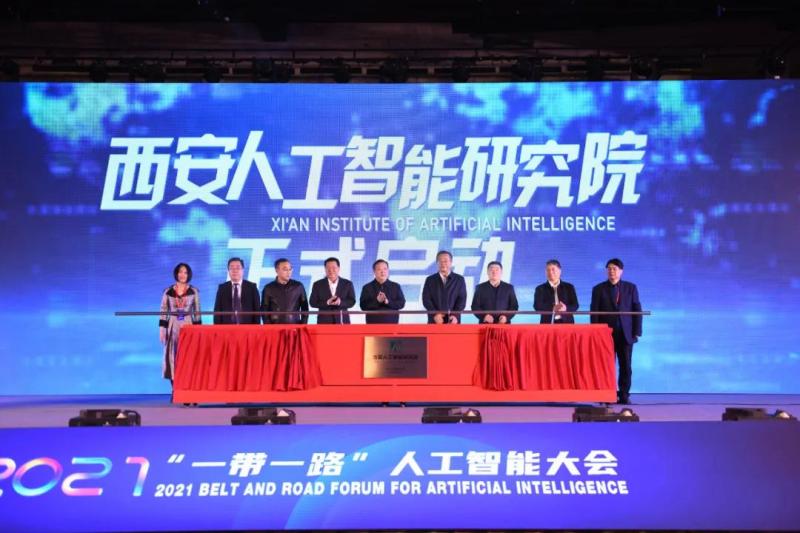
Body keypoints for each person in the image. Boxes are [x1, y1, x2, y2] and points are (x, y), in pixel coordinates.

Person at [590, 258, 643, 405]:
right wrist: (595, 332)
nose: (611, 271)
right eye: (609, 269)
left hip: (626, 334)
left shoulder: (631, 288)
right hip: (605, 335)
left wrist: (637, 331)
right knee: (606, 366)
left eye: (614, 269)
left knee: (626, 366)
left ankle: (624, 394)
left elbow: (637, 310)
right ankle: (606, 394)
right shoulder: (598, 289)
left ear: (621, 271)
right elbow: (594, 313)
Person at [159, 263, 201, 386]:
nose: (183, 275)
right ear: (176, 274)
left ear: (189, 275)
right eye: (180, 272)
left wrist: (199, 331)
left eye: (185, 272)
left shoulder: (194, 291)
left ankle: (186, 388)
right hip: (172, 325)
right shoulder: (168, 291)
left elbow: (197, 312)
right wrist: (162, 329)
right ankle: (175, 388)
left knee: (188, 356)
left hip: (188, 325)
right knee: (172, 356)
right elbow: (163, 311)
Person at [422, 250, 467, 324]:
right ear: (437, 263)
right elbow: (426, 300)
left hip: (453, 321)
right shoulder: (430, 280)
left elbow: (462, 300)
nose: (443, 264)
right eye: (440, 261)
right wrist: (435, 314)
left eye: (445, 261)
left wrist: (455, 315)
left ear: (451, 262)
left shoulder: (459, 279)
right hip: (435, 320)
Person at [213, 257, 261, 324]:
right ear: (228, 271)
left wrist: (256, 327)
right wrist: (217, 328)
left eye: (238, 268)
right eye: (231, 268)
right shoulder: (222, 288)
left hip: (247, 326)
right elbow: (217, 310)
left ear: (243, 270)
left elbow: (257, 310)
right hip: (227, 327)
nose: (234, 270)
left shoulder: (252, 287)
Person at [261, 258, 309, 324]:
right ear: (277, 270)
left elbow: (305, 308)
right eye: (285, 269)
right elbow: (264, 309)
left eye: (290, 269)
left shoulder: (298, 286)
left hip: (294, 326)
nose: (288, 272)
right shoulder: (268, 288)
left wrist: (303, 324)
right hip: (275, 326)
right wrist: (268, 326)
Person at [310, 257, 356, 324]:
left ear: (339, 268)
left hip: (342, 321)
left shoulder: (347, 284)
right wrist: (327, 302)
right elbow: (312, 302)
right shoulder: (317, 284)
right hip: (324, 322)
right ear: (325, 269)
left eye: (334, 267)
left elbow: (352, 301)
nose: (331, 270)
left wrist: (340, 302)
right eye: (328, 268)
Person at [360, 259, 406, 324]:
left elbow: (402, 303)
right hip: (372, 324)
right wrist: (377, 301)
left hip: (392, 324)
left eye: (385, 269)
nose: (382, 272)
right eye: (379, 269)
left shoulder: (395, 286)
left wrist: (388, 302)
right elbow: (363, 306)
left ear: (388, 270)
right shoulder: (367, 287)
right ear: (374, 271)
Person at [533, 259, 579, 324]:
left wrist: (565, 308)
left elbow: (575, 305)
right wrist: (552, 308)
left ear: (560, 271)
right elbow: (537, 306)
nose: (550, 272)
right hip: (547, 323)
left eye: (553, 269)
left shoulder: (569, 287)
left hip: (567, 323)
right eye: (548, 270)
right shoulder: (540, 289)